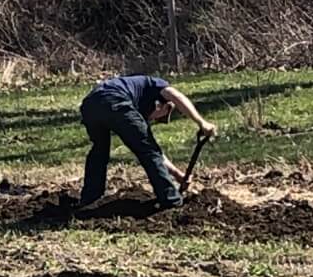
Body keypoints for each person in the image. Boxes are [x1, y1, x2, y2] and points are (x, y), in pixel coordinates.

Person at [78, 74, 216, 209]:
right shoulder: (155, 84)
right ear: (161, 105)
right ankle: (171, 201)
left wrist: (177, 174)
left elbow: (155, 152)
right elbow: (177, 96)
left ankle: (90, 198)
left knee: (99, 151)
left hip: (90, 106)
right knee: (148, 153)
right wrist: (202, 122)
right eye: (160, 117)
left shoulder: (138, 104)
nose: (154, 120)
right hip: (115, 100)